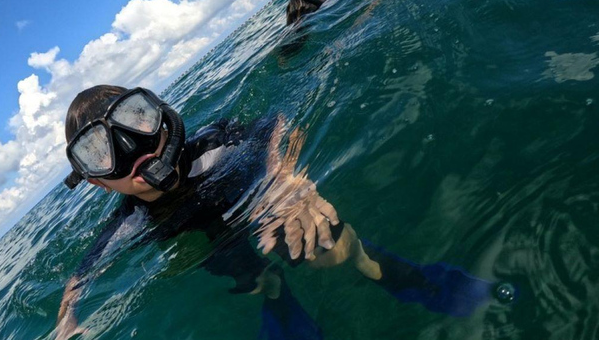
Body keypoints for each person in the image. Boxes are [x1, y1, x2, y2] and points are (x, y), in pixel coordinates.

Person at [55, 85, 498, 340]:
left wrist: (286, 181)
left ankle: (374, 265)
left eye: (135, 120)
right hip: (207, 240)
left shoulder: (215, 145)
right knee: (250, 280)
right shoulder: (128, 221)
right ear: (97, 180)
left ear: (160, 114)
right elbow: (80, 276)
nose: (131, 148)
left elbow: (279, 124)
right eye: (100, 152)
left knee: (328, 244)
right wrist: (66, 321)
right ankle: (272, 290)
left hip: (254, 200)